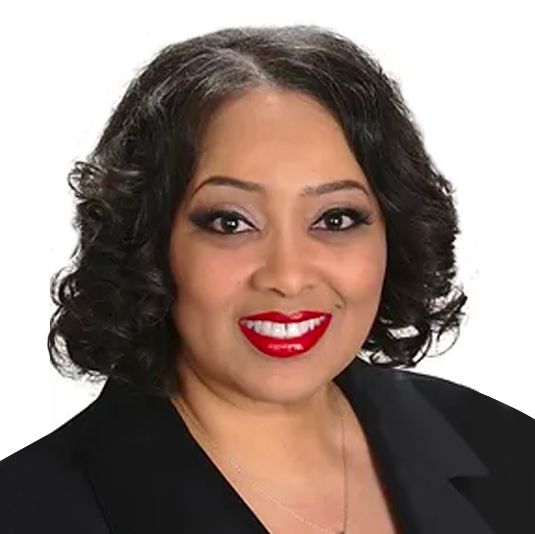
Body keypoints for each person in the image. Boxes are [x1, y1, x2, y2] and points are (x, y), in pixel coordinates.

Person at [0, 24, 533, 534]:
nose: (288, 276)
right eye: (231, 223)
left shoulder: (507, 448)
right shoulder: (26, 512)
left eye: (335, 219)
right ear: (149, 243)